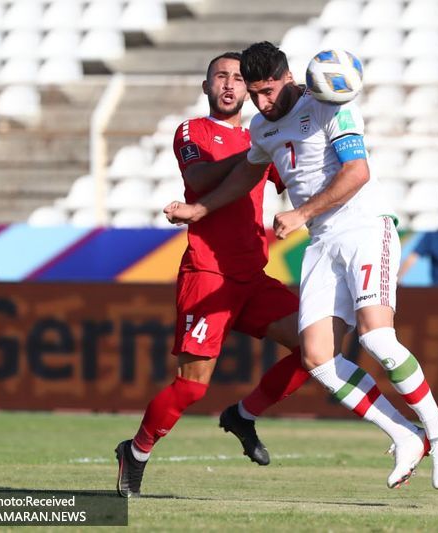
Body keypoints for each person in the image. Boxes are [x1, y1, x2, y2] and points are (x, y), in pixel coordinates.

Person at [164, 42, 438, 490]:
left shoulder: (326, 106)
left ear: (286, 77)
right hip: (322, 242)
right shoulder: (262, 127)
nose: (261, 102)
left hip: (363, 228)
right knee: (319, 359)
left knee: (378, 337)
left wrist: (300, 214)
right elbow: (248, 172)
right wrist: (201, 209)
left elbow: (357, 171)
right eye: (255, 93)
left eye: (267, 91)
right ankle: (405, 434)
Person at [115, 52, 312, 498]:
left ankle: (244, 415)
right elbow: (201, 180)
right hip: (207, 273)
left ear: (250, 89)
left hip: (253, 276)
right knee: (191, 387)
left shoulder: (261, 135)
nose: (228, 84)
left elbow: (295, 177)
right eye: (219, 77)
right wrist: (257, 150)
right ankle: (136, 451)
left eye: (238, 79)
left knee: (315, 347)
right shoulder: (193, 132)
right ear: (206, 87)